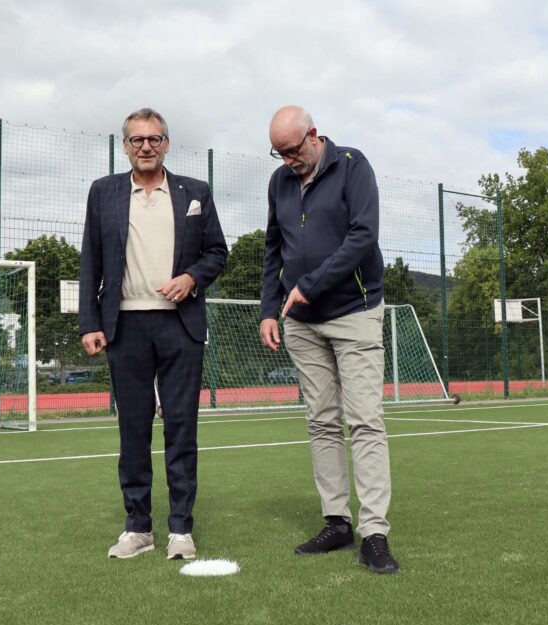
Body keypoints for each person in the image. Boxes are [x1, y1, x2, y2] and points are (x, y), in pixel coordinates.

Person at [79, 108, 227, 560]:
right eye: (137, 139)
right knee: (133, 429)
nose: (146, 146)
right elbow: (90, 261)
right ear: (124, 145)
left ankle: (180, 528)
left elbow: (218, 251)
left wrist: (191, 279)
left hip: (180, 324)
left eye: (155, 138)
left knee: (182, 427)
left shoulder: (195, 192)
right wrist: (91, 322)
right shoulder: (103, 192)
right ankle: (138, 527)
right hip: (125, 325)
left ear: (166, 144)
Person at [259, 106, 398, 574]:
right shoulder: (280, 181)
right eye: (278, 154)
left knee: (364, 421)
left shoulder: (354, 167)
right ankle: (336, 521)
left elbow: (363, 237)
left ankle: (374, 533)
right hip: (300, 321)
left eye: (292, 151)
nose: (286, 161)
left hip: (353, 313)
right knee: (321, 421)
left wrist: (310, 285)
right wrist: (267, 310)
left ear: (313, 136)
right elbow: (272, 248)